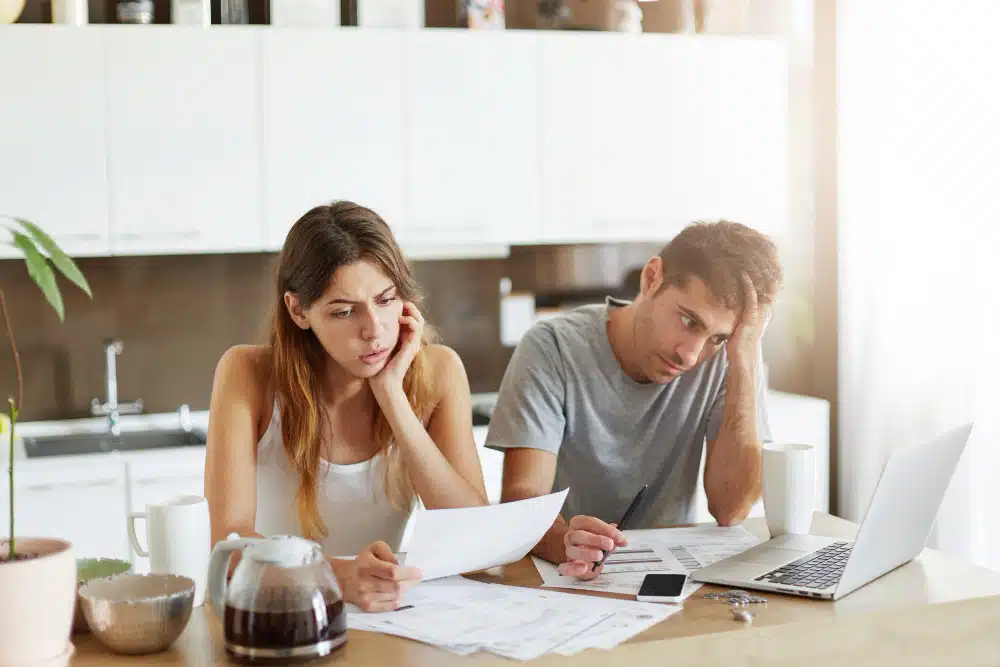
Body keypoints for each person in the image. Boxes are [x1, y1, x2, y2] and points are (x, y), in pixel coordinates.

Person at [204, 201, 488, 611]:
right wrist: (336, 576)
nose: (374, 330)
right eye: (344, 311)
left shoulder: (439, 372)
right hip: (274, 614)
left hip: (384, 618)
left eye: (386, 300)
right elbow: (228, 546)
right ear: (298, 310)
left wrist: (391, 394)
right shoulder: (247, 373)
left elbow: (474, 537)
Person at [486, 220, 782, 580]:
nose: (691, 355)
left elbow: (731, 509)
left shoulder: (730, 360)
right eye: (688, 320)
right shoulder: (553, 346)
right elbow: (522, 497)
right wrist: (566, 542)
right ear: (652, 277)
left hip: (672, 579)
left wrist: (745, 357)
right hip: (568, 575)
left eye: (717, 338)